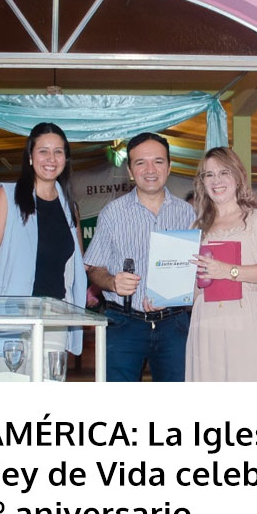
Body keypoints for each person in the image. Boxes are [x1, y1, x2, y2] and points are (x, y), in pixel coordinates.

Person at [0, 123, 86, 377]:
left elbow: (76, 266)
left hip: (54, 316)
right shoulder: (7, 196)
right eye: (43, 151)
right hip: (5, 315)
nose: (51, 159)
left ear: (66, 159)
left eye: (58, 152)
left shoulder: (70, 208)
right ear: (30, 157)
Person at [84, 132, 195, 382]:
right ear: (130, 171)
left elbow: (196, 271)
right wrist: (112, 282)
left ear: (169, 166)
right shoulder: (112, 213)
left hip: (174, 324)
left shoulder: (188, 213)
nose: (150, 169)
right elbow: (95, 268)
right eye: (141, 162)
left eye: (158, 161)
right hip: (124, 324)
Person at [187, 147, 257, 382]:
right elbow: (194, 289)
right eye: (209, 174)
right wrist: (167, 297)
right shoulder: (196, 227)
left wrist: (228, 270)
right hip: (205, 322)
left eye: (224, 172)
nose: (216, 180)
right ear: (202, 182)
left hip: (247, 320)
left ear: (238, 176)